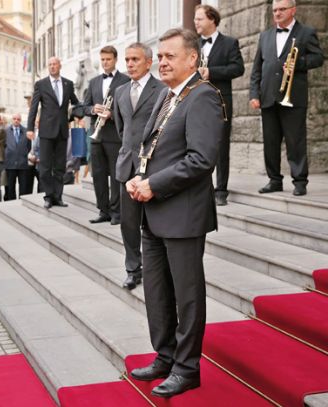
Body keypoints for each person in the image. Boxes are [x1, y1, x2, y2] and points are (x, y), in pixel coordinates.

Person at [126, 28, 225, 398]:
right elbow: (152, 148)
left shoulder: (203, 97)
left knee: (186, 295)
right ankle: (164, 355)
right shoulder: (167, 97)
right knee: (156, 291)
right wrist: (138, 178)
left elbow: (201, 159)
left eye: (170, 56)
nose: (163, 62)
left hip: (182, 212)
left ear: (192, 60)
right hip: (152, 209)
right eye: (161, 55)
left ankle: (187, 367)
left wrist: (155, 183)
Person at [250, 0, 323, 196]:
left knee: (295, 141)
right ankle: (274, 180)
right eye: (275, 10)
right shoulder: (265, 36)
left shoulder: (306, 32)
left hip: (294, 97)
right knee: (270, 143)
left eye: (282, 9)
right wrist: (254, 94)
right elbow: (257, 68)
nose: (277, 13)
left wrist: (297, 63)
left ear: (293, 10)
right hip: (267, 97)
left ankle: (300, 181)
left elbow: (318, 58)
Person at [113, 42, 166, 291]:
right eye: (127, 60)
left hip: (154, 166)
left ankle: (157, 269)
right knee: (129, 224)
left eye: (135, 59)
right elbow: (122, 129)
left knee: (155, 221)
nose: (130, 64)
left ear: (148, 61)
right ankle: (133, 270)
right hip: (127, 166)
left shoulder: (163, 90)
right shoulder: (121, 91)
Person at [195, 4, 244, 206]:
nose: (195, 22)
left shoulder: (230, 43)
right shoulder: (193, 44)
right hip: (197, 101)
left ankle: (221, 190)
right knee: (197, 145)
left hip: (220, 101)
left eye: (199, 19)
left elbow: (238, 68)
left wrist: (211, 72)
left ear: (211, 19)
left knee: (221, 146)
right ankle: (200, 188)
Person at [82, 46, 130, 224]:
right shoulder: (94, 82)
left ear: (115, 59)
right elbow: (83, 107)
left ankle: (117, 212)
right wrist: (93, 109)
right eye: (102, 60)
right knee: (99, 176)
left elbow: (128, 108)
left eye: (108, 59)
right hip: (96, 137)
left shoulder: (125, 80)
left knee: (116, 177)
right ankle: (104, 211)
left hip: (115, 136)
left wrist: (112, 114)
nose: (105, 63)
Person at [27, 56, 80, 209]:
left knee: (59, 167)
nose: (52, 67)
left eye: (54, 64)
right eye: (49, 64)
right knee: (44, 168)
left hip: (62, 131)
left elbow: (76, 103)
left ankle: (58, 197)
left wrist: (72, 117)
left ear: (59, 66)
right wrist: (30, 128)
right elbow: (34, 107)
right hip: (46, 131)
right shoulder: (41, 84)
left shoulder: (68, 84)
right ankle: (48, 196)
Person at [5, 113, 32, 200]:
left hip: (22, 164)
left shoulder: (26, 131)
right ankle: (11, 204)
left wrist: (22, 154)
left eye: (18, 119)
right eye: (14, 118)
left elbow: (29, 146)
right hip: (10, 164)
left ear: (20, 120)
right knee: (10, 187)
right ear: (12, 120)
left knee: (23, 187)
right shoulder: (5, 131)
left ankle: (22, 204)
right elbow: (3, 146)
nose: (16, 120)